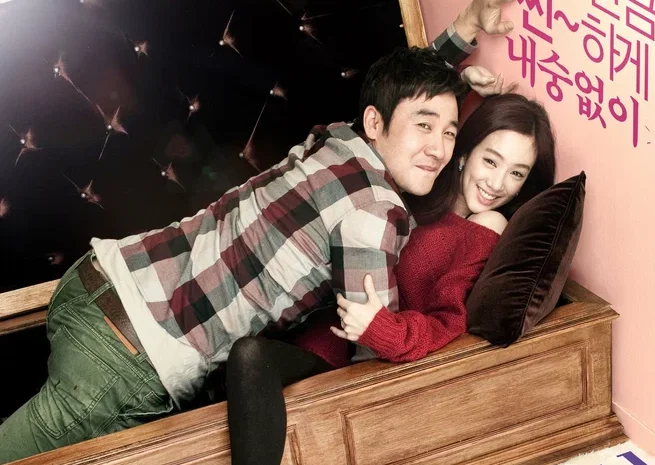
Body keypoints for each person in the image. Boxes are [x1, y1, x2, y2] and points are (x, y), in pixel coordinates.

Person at [0, 21, 474, 465]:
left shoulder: (335, 143)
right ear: (375, 123)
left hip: (96, 282)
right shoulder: (373, 208)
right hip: (127, 355)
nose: (439, 148)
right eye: (425, 126)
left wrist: (464, 30)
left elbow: (395, 96)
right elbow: (375, 355)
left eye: (450, 132)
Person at [225, 91, 556, 465]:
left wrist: (380, 329)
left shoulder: (487, 226)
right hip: (313, 331)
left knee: (250, 354)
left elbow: (449, 321)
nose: (497, 183)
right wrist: (461, 79)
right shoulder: (418, 188)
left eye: (516, 173)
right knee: (237, 354)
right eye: (491, 161)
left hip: (358, 362)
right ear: (464, 153)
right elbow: (384, 127)